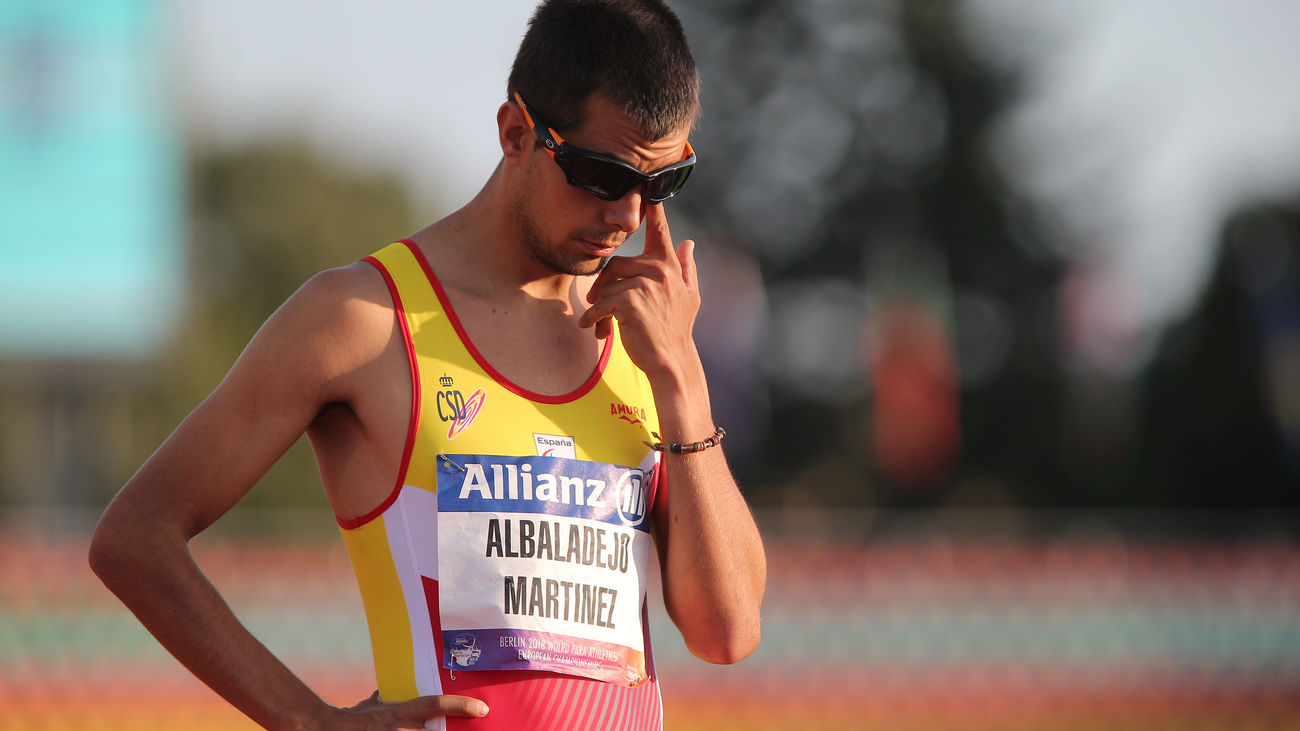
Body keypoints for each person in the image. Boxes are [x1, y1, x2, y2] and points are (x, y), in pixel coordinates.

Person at [88, 0, 766, 729]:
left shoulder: (648, 343)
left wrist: (682, 380)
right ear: (515, 132)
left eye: (662, 185)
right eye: (602, 175)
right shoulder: (361, 321)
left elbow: (724, 632)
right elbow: (135, 538)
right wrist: (304, 717)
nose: (629, 216)